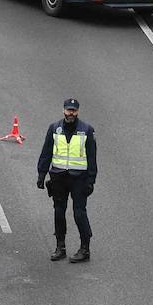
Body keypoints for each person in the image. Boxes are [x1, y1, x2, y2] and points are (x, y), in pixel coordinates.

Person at [36, 97, 97, 263]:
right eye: (69, 110)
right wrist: (41, 174)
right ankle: (60, 247)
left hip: (79, 179)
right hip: (59, 177)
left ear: (78, 111)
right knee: (59, 212)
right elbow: (46, 152)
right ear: (63, 110)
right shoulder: (54, 129)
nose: (71, 113)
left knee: (79, 213)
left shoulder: (87, 130)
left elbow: (92, 158)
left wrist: (91, 181)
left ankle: (85, 249)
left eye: (74, 110)